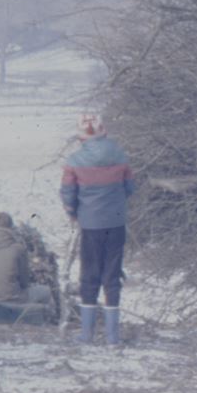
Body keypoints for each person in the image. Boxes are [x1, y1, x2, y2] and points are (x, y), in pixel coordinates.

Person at [60, 112, 135, 345]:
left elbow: (67, 194)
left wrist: (73, 213)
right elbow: (130, 187)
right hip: (116, 223)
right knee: (112, 275)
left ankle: (86, 335)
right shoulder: (120, 154)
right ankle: (113, 338)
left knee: (89, 275)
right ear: (104, 131)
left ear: (81, 136)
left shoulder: (74, 161)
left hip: (90, 224)